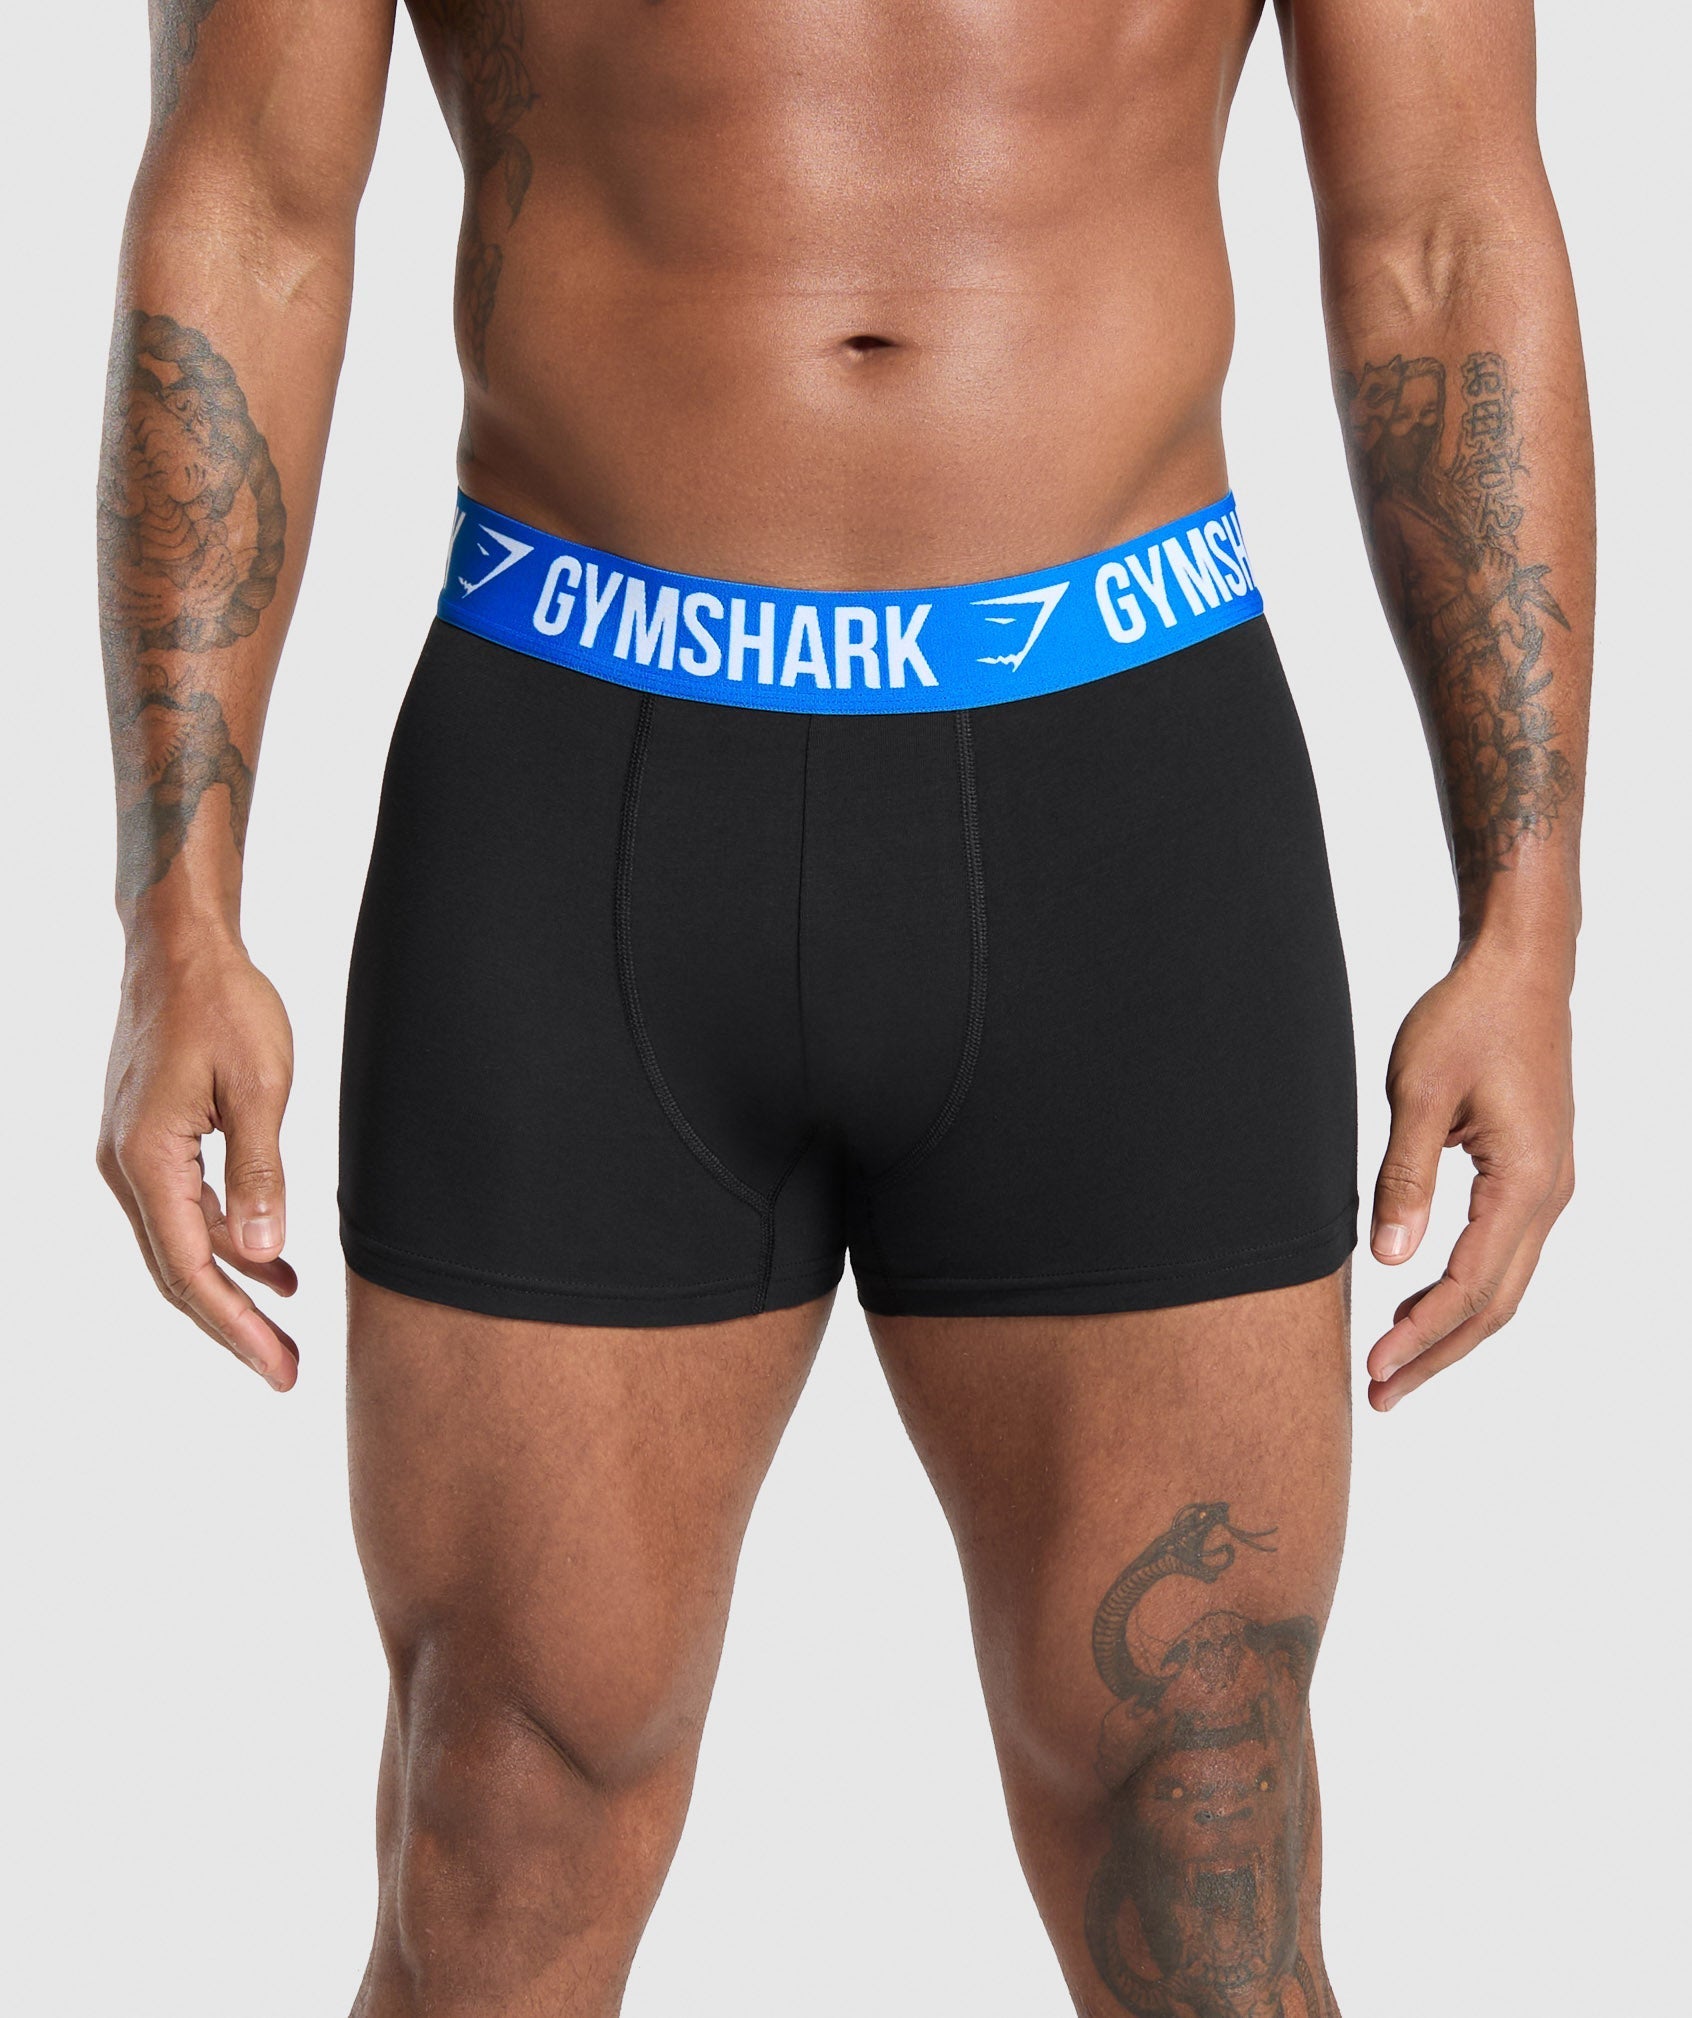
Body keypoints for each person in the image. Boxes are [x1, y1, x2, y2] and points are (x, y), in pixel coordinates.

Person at [94, 2, 1588, 2011]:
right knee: (503, 1824)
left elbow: (1443, 230)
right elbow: (248, 210)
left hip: (1120, 796)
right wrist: (176, 914)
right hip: (582, 778)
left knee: (1202, 1830)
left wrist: (1527, 920)